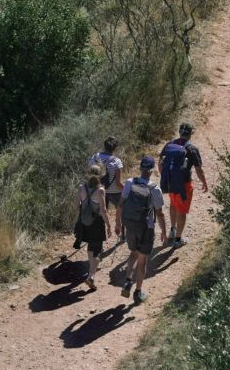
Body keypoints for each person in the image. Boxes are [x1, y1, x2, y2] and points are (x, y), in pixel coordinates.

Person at [115, 156, 166, 303]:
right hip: (146, 228)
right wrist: (163, 231)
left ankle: (127, 280)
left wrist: (118, 223)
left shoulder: (130, 182)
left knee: (133, 253)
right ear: (151, 171)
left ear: (140, 168)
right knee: (142, 260)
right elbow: (160, 213)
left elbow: (120, 204)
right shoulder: (154, 188)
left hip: (130, 224)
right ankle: (138, 292)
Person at [159, 121, 208, 248]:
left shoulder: (169, 145)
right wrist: (204, 182)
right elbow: (198, 169)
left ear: (179, 132)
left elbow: (160, 163)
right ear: (190, 134)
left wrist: (165, 177)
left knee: (173, 204)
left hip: (170, 182)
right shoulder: (191, 149)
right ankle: (178, 239)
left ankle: (172, 230)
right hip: (184, 185)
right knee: (182, 211)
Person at [76, 165, 111, 291]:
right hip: (96, 223)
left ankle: (90, 270)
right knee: (97, 249)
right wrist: (108, 225)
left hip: (85, 223)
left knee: (91, 246)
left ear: (88, 173)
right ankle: (91, 276)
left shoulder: (81, 187)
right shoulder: (100, 190)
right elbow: (103, 210)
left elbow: (77, 206)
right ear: (100, 175)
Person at [88, 137, 124, 209]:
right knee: (122, 209)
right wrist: (127, 190)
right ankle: (118, 220)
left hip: (97, 190)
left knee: (101, 213)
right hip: (114, 192)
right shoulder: (116, 161)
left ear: (104, 146)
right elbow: (118, 184)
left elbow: (90, 174)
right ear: (115, 148)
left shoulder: (94, 158)